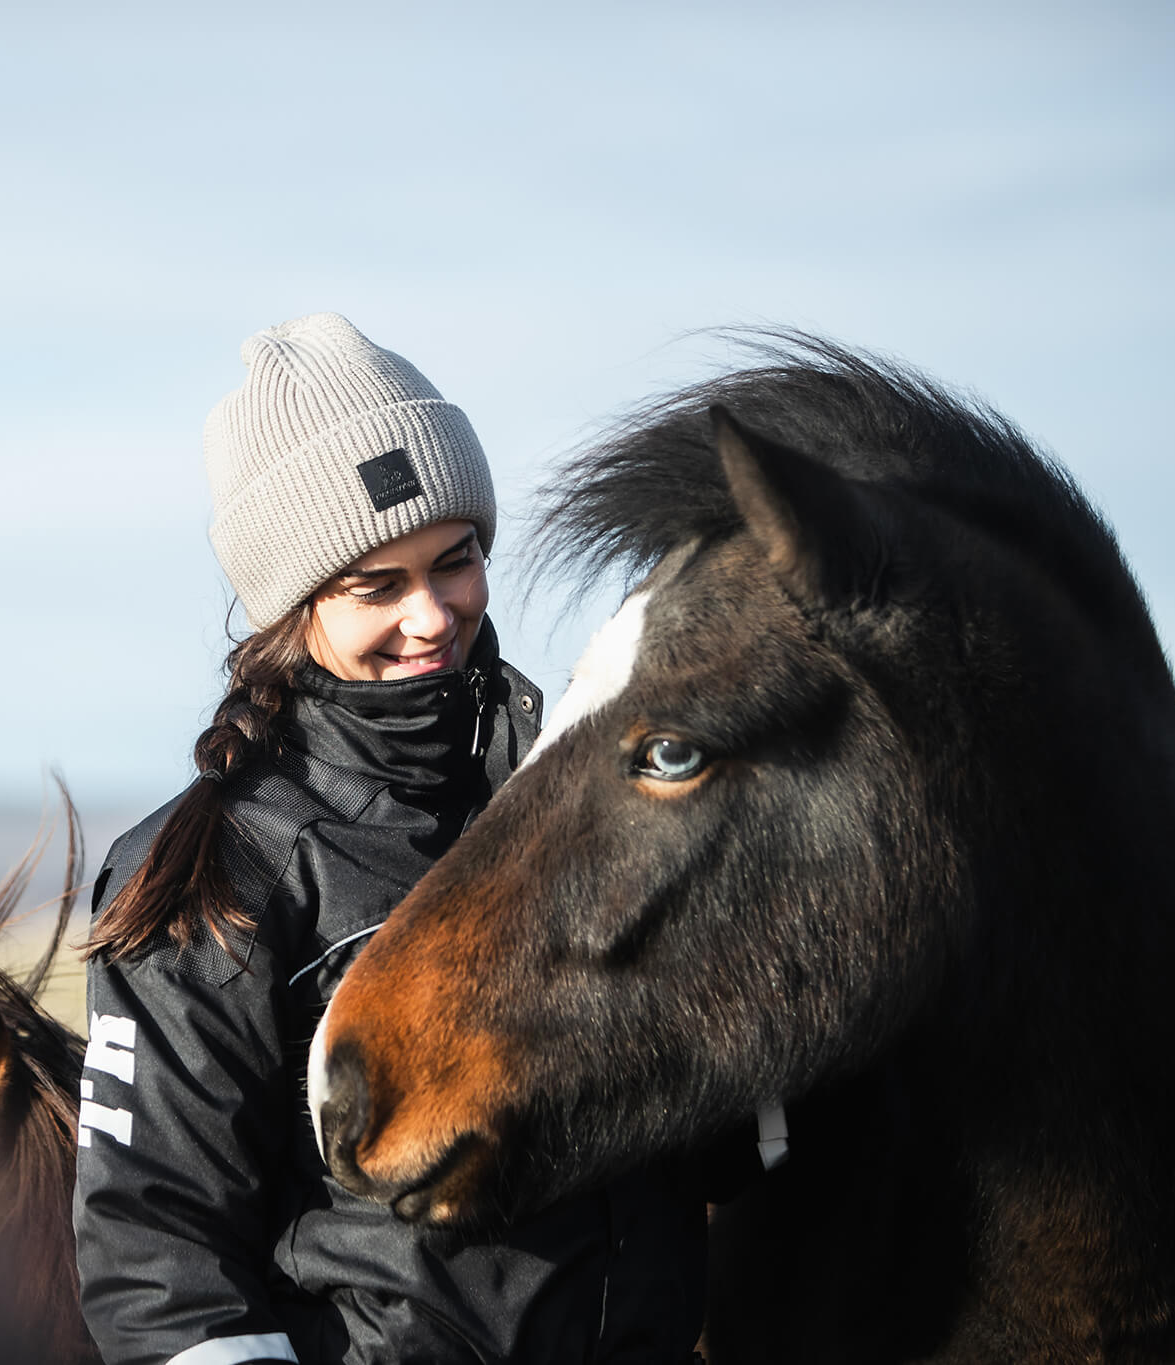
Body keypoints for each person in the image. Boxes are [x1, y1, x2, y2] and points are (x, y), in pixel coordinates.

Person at [72, 313, 707, 1365]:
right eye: (375, 586)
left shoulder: (570, 799)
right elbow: (156, 1263)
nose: (429, 615)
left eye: (452, 562)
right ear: (292, 607)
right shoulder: (213, 875)